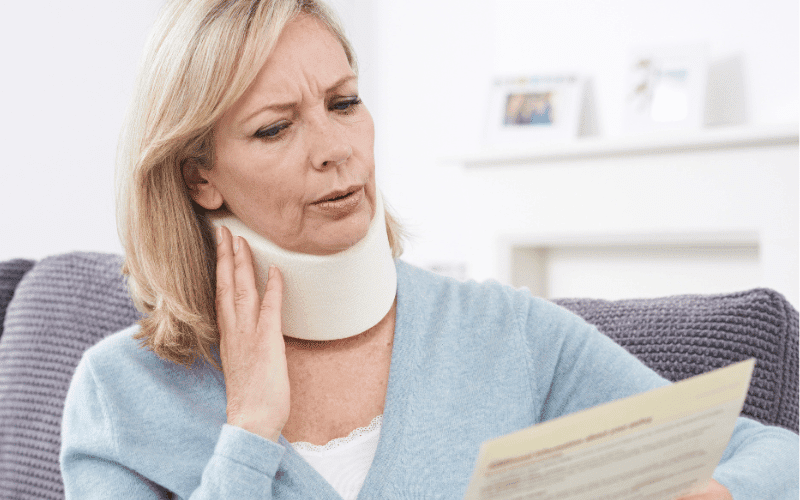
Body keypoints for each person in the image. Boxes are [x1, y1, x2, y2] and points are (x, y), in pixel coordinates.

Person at [59, 0, 798, 498]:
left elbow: (776, 456)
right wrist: (250, 428)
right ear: (201, 177)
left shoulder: (501, 333)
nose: (336, 150)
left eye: (344, 103)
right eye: (275, 128)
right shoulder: (120, 393)